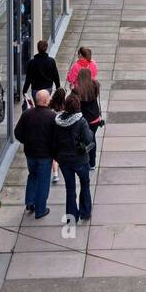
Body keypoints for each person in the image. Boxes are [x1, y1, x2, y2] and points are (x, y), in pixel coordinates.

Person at [13, 89, 56, 219]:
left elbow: (17, 133)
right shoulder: (52, 116)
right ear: (47, 100)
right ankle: (40, 209)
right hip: (45, 155)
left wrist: (26, 142)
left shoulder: (27, 114)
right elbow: (56, 138)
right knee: (43, 181)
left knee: (33, 176)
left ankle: (30, 202)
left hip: (30, 153)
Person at [54, 91, 95, 223]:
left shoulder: (58, 122)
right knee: (85, 184)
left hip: (64, 161)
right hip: (80, 159)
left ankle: (71, 216)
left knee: (70, 189)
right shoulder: (81, 122)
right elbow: (89, 139)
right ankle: (85, 211)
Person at [76, 67, 104, 169]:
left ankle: (86, 160)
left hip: (84, 119)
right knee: (92, 139)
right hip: (95, 118)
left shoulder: (78, 89)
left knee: (84, 139)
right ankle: (92, 162)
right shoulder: (95, 85)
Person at [49, 87, 67, 185]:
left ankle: (55, 173)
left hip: (53, 132)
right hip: (61, 132)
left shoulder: (50, 105)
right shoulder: (65, 106)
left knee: (54, 155)